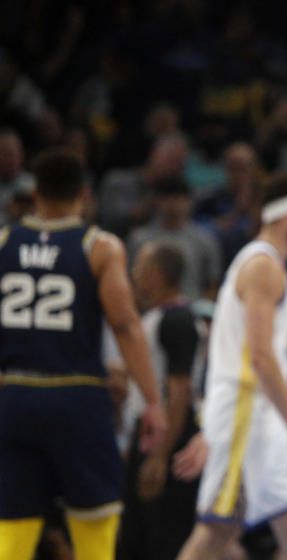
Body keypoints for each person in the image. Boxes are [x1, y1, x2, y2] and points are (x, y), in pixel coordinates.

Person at [0, 148, 167, 560]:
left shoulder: (3, 242)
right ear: (84, 195)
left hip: (15, 393)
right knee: (95, 519)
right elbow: (126, 326)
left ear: (35, 192)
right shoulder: (100, 247)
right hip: (76, 395)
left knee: (13, 523)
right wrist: (153, 401)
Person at [176, 170, 287, 560]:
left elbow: (230, 351)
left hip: (247, 412)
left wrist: (211, 421)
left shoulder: (262, 263)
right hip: (251, 412)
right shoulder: (264, 267)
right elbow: (259, 358)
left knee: (223, 536)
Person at [118, 241, 203, 560]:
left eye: (139, 267)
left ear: (157, 274)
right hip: (148, 431)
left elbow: (179, 393)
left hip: (168, 433)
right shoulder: (156, 317)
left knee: (164, 535)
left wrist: (161, 455)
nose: (134, 275)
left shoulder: (177, 321)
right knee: (136, 533)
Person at [127, 175, 222, 301]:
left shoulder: (205, 239)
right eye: (167, 197)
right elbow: (131, 281)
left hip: (193, 311)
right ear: (157, 200)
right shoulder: (139, 239)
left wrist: (200, 311)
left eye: (180, 197)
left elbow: (214, 284)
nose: (174, 204)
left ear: (190, 201)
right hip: (148, 312)